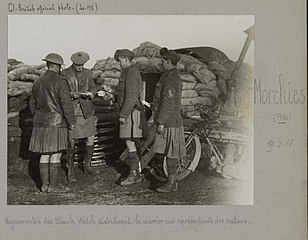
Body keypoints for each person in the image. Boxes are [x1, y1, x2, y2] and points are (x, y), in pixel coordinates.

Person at [29, 53, 76, 193]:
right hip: (56, 123)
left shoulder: (37, 82)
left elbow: (32, 104)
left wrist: (39, 117)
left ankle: (45, 185)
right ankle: (54, 186)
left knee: (44, 154)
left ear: (48, 65)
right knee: (55, 154)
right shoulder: (61, 81)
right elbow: (66, 104)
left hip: (40, 123)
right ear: (58, 67)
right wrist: (71, 121)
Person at [152, 47, 186, 193]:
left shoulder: (171, 78)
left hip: (170, 121)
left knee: (171, 153)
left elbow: (167, 102)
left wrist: (161, 122)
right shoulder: (168, 76)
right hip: (168, 120)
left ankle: (172, 183)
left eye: (163, 61)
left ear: (167, 61)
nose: (161, 63)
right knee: (167, 152)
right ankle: (170, 181)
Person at [61, 51, 98, 181]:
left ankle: (87, 165)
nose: (80, 67)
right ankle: (70, 170)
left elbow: (94, 88)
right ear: (73, 63)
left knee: (90, 137)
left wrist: (91, 93)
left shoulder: (88, 73)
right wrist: (72, 94)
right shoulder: (65, 74)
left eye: (82, 65)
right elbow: (62, 92)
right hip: (73, 111)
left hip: (87, 110)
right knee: (71, 140)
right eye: (78, 65)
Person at [114, 49, 145, 186]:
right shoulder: (126, 72)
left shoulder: (132, 72)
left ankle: (134, 174)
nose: (119, 63)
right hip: (129, 111)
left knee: (130, 142)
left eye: (120, 60)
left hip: (131, 112)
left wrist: (123, 115)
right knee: (131, 142)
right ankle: (135, 171)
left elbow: (131, 96)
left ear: (126, 59)